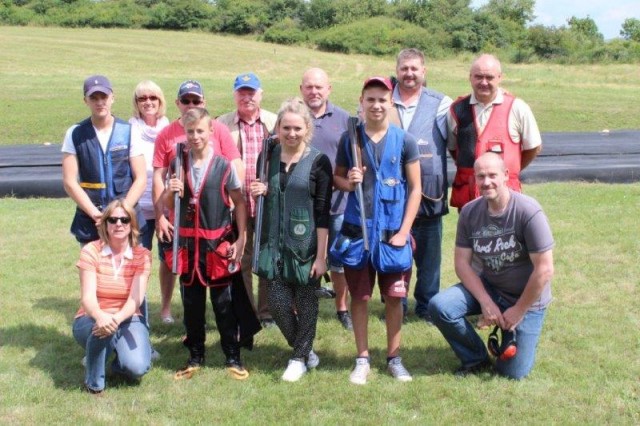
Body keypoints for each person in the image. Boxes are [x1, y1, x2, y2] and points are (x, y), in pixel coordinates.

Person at [427, 152, 555, 380]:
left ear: (505, 175)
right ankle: (475, 357)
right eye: (481, 176)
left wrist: (518, 310)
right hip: (491, 287)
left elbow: (544, 270)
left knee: (513, 373)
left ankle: (511, 329)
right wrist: (486, 302)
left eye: (492, 175)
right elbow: (462, 264)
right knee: (440, 306)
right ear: (474, 179)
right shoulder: (469, 212)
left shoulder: (528, 211)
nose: (486, 182)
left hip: (526, 299)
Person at [333, 77, 421, 384]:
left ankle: (394, 358)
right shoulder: (349, 139)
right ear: (362, 101)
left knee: (394, 298)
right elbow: (337, 179)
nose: (376, 105)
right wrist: (350, 182)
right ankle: (362, 358)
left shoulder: (405, 140)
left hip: (392, 235)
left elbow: (415, 189)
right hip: (358, 234)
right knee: (360, 297)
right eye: (370, 99)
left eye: (382, 99)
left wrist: (404, 231)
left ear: (390, 102)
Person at [164, 108, 254, 381]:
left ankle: (232, 356)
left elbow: (239, 202)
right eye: (190, 131)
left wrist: (241, 237)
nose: (195, 136)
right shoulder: (177, 163)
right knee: (192, 306)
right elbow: (168, 205)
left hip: (216, 248)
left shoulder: (224, 166)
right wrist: (170, 191)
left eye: (200, 131)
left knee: (224, 305)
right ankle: (195, 355)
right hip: (188, 249)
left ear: (211, 131)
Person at [250, 98, 332, 382]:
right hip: (274, 245)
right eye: (286, 128)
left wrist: (321, 257)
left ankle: (298, 359)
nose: (292, 133)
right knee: (277, 303)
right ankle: (306, 351)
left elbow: (323, 213)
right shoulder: (268, 156)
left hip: (306, 246)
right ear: (278, 128)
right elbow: (267, 192)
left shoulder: (319, 161)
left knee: (307, 302)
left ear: (307, 128)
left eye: (297, 128)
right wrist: (261, 190)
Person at [152, 80, 242, 324]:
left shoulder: (218, 129)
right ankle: (185, 324)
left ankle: (228, 329)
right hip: (181, 221)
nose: (190, 104)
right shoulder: (166, 135)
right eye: (186, 100)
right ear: (177, 103)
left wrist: (232, 203)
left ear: (203, 103)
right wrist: (160, 215)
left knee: (219, 277)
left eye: (196, 100)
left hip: (214, 221)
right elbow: (159, 177)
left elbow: (235, 165)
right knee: (183, 273)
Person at [391, 48, 452, 323]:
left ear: (424, 71)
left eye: (414, 68)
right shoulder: (384, 100)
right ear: (397, 71)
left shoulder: (441, 104)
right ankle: (397, 303)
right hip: (393, 196)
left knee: (429, 259)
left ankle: (427, 306)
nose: (409, 74)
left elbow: (454, 142)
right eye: (404, 68)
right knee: (395, 252)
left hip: (429, 195)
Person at [72, 199, 152, 395]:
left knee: (137, 368)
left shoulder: (142, 255)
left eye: (124, 220)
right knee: (104, 329)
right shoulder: (91, 250)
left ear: (132, 224)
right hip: (92, 317)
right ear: (105, 224)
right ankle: (94, 385)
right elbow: (87, 298)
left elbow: (135, 300)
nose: (118, 224)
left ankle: (102, 355)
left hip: (128, 317)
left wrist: (115, 319)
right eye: (113, 220)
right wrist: (101, 317)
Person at [217, 72, 277, 329]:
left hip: (267, 202)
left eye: (251, 92)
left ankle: (266, 312)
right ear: (235, 95)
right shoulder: (222, 124)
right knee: (240, 258)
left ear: (260, 94)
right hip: (235, 204)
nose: (247, 97)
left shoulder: (274, 122)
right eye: (242, 92)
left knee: (266, 258)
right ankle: (246, 312)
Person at [448, 53, 542, 209]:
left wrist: (510, 171)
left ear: (500, 77)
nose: (484, 82)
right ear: (470, 77)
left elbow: (533, 147)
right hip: (468, 201)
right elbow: (454, 149)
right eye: (478, 77)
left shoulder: (518, 108)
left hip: (505, 199)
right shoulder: (456, 109)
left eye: (489, 77)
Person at [62, 75, 146, 245]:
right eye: (94, 98)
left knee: (132, 263)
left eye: (104, 97)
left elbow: (141, 178)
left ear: (112, 98)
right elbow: (69, 182)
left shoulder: (129, 131)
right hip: (90, 222)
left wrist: (122, 213)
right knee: (92, 263)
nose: (100, 102)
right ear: (85, 101)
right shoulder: (75, 133)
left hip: (126, 218)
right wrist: (95, 214)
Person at [300, 67, 353, 331]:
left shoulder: (344, 119)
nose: (314, 91)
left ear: (328, 89)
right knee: (303, 255)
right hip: (303, 205)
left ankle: (342, 307)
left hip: (338, 203)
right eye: (309, 87)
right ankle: (303, 304)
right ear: (301, 90)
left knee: (339, 259)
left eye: (319, 87)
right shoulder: (294, 117)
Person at [129, 80, 170, 252]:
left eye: (153, 97)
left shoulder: (169, 128)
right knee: (138, 258)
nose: (148, 102)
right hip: (139, 208)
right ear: (136, 102)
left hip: (166, 207)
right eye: (142, 98)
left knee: (168, 260)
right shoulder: (128, 130)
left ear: (160, 101)